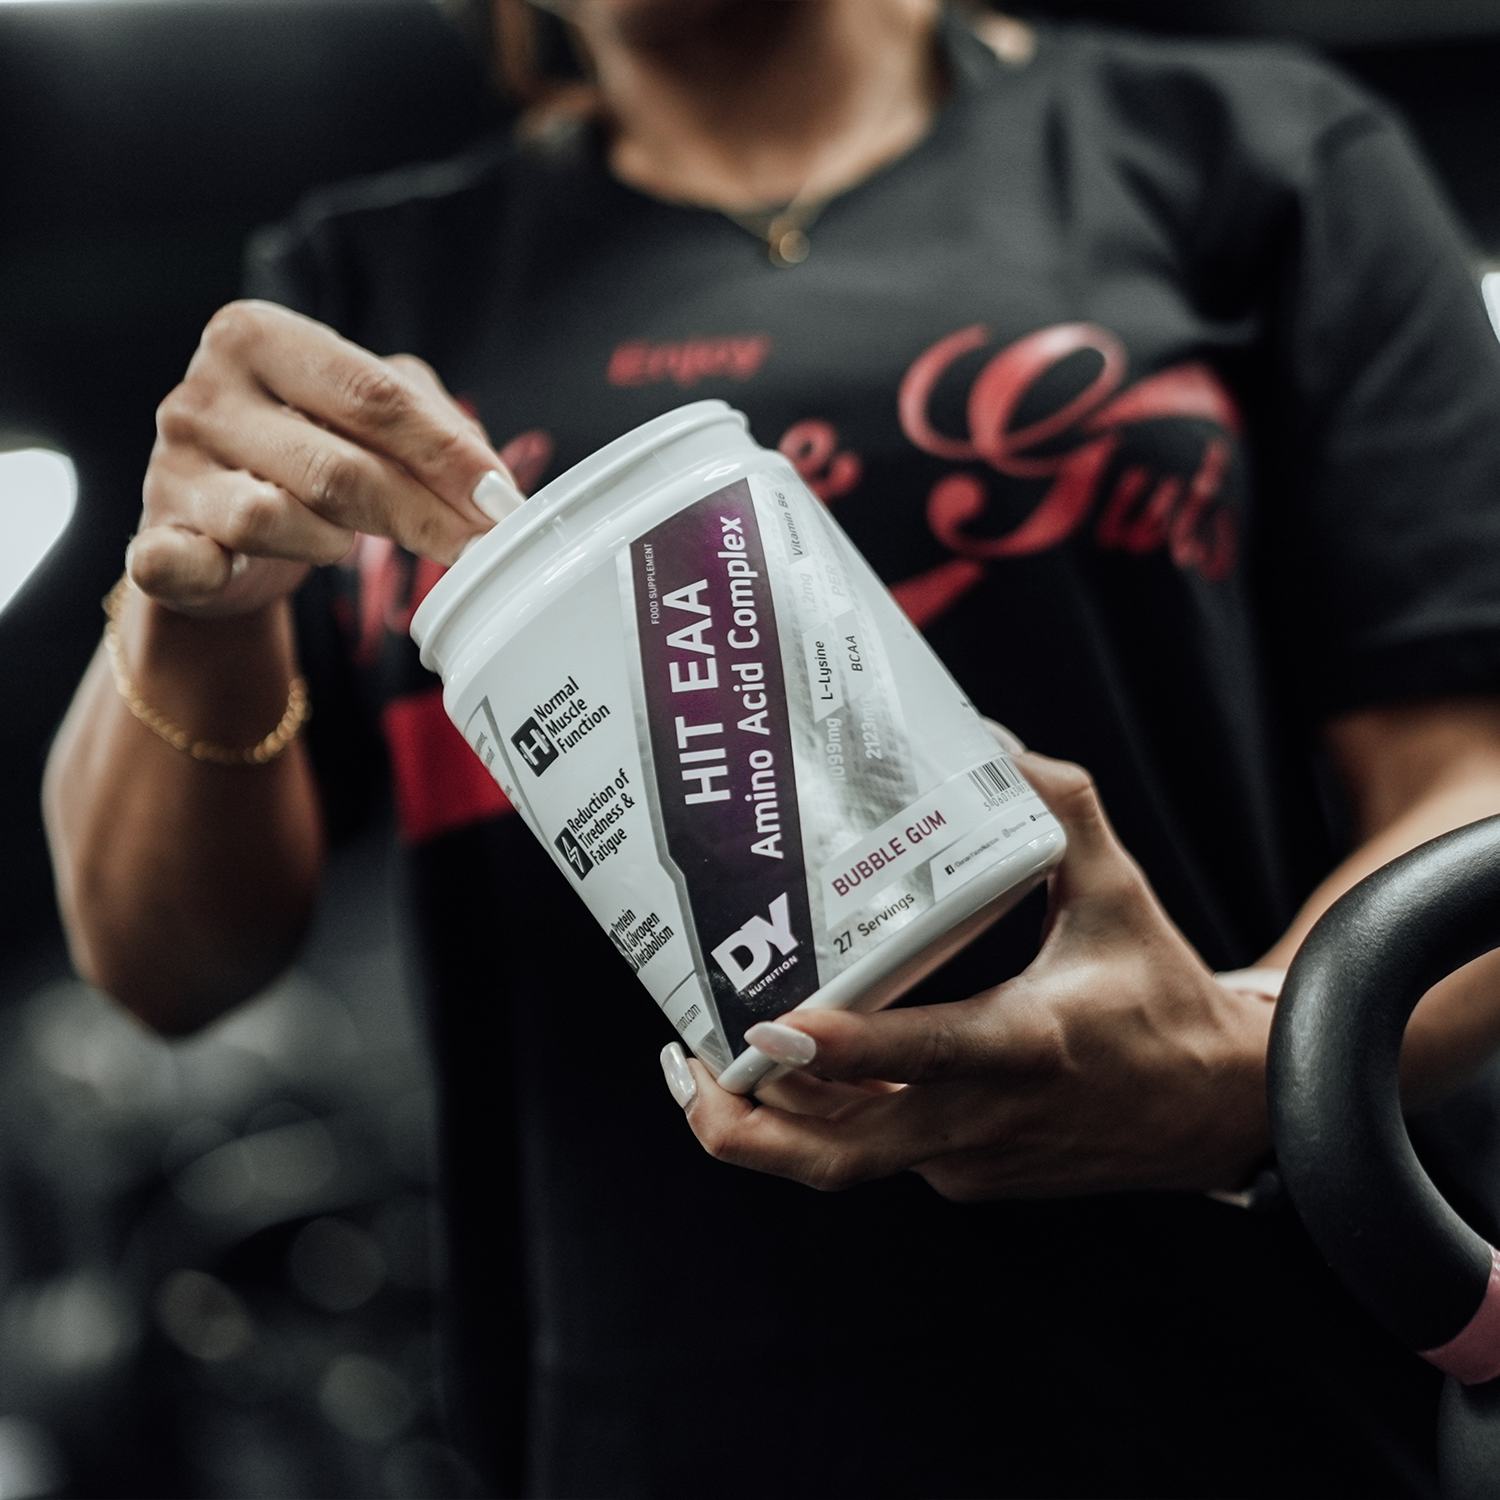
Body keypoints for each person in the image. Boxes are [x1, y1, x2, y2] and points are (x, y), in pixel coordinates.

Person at [41, 1, 1500, 1493]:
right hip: (650, 1422)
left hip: (1240, 1401)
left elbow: (1472, 795)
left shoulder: (1247, 159)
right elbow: (161, 964)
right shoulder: (369, 297)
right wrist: (197, 609)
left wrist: (1245, 1059)